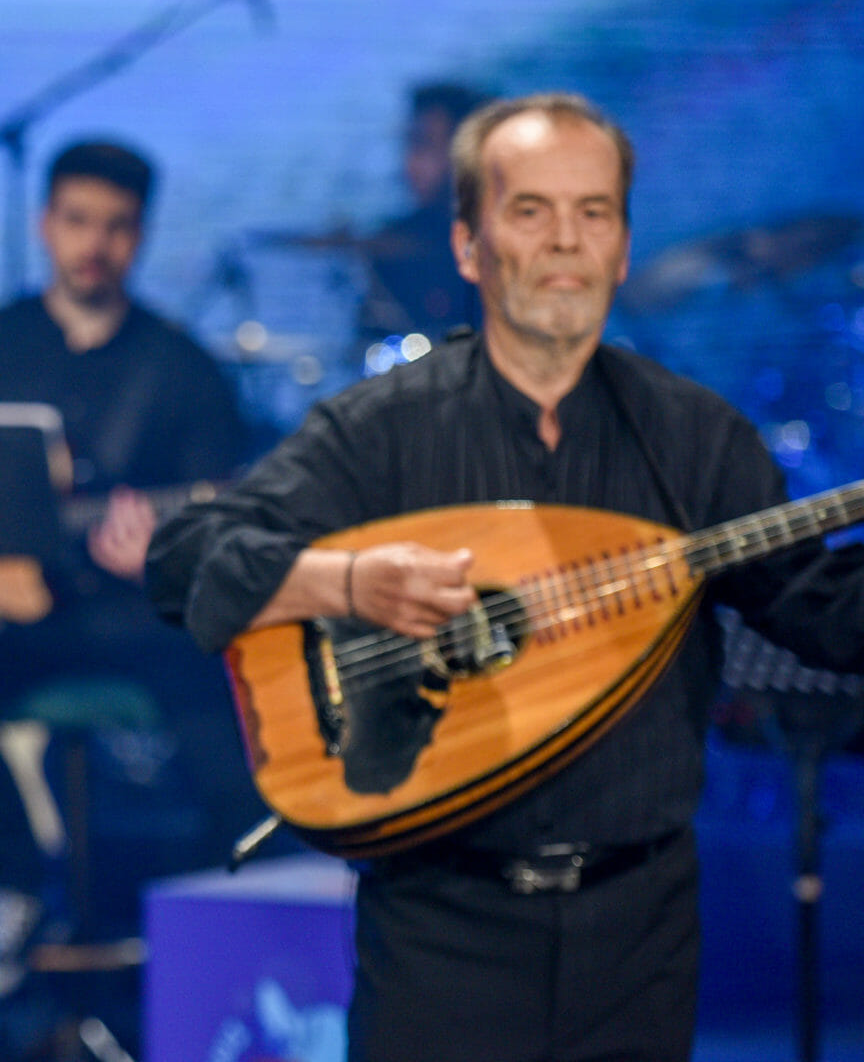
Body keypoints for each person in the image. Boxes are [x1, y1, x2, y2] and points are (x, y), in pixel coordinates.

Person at [147, 92, 864, 1062]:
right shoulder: (383, 429)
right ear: (468, 246)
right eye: (531, 210)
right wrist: (346, 582)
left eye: (593, 212)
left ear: (622, 248)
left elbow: (829, 617)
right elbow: (184, 557)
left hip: (639, 934)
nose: (566, 240)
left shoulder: (698, 439)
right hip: (441, 933)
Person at [0, 139, 262, 991]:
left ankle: (231, 920)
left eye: (117, 226)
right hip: (11, 614)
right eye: (78, 221)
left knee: (226, 711)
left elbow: (228, 521)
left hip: (135, 616)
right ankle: (15, 891)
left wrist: (158, 558)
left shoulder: (181, 369)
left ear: (141, 234)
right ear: (45, 223)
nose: (95, 244)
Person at [358, 81, 488, 340]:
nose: (410, 164)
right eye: (409, 145)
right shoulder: (393, 246)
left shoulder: (499, 243)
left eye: (424, 145)